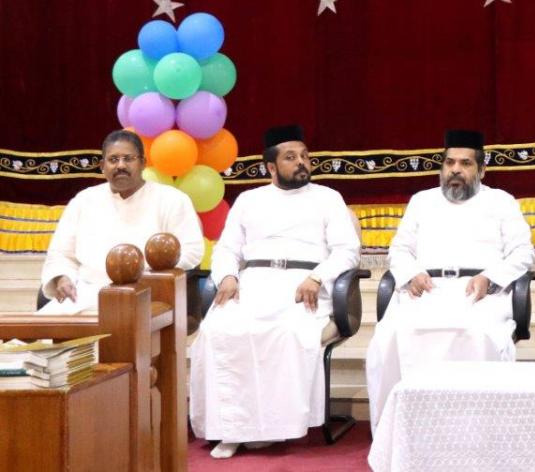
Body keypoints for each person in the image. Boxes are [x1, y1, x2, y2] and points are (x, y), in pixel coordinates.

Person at [188, 124, 361, 459]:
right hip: (252, 283)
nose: (302, 163)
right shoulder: (249, 200)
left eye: (304, 156)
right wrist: (227, 276)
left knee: (287, 332)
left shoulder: (328, 198)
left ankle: (274, 427)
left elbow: (347, 251)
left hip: (305, 286)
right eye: (291, 157)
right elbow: (227, 249)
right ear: (270, 167)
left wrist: (317, 277)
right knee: (217, 331)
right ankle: (229, 429)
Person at [365, 129, 533, 429]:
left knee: (479, 333)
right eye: (449, 162)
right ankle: (400, 429)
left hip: (480, 293)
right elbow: (399, 249)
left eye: (465, 163)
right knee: (389, 336)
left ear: (481, 170)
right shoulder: (422, 201)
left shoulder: (501, 201)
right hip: (426, 290)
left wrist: (490, 277)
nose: (455, 169)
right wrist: (410, 273)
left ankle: (475, 428)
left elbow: (522, 252)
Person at [40, 129, 203, 315]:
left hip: (148, 295)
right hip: (85, 294)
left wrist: (152, 277)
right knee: (36, 329)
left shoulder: (171, 199)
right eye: (113, 159)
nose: (120, 165)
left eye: (128, 158)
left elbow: (191, 251)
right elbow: (61, 254)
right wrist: (62, 278)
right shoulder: (83, 200)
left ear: (143, 163)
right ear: (102, 165)